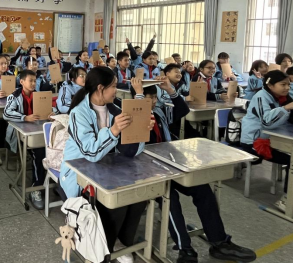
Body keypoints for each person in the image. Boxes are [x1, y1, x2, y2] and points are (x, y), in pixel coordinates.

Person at [135, 81, 256, 264]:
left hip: (171, 165)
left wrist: (170, 90)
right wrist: (138, 99)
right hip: (148, 172)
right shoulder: (131, 117)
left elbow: (182, 110)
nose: (152, 101)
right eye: (147, 98)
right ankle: (185, 249)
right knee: (169, 198)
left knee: (203, 190)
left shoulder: (159, 112)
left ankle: (219, 242)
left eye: (153, 97)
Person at [60, 68, 152, 262]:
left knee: (138, 198)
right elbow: (91, 153)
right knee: (115, 202)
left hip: (109, 168)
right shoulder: (79, 113)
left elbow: (132, 150)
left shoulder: (115, 108)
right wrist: (114, 130)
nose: (116, 91)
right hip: (78, 172)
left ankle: (121, 243)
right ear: (100, 88)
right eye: (114, 86)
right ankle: (103, 251)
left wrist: (141, 132)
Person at [241, 70, 293, 213]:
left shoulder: (280, 97)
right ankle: (286, 200)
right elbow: (267, 122)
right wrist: (286, 108)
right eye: (283, 84)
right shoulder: (261, 96)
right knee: (291, 160)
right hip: (253, 142)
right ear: (270, 85)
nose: (287, 88)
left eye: (288, 84)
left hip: (270, 139)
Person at [3, 70, 47, 210]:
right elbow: (6, 113)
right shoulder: (14, 96)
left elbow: (47, 109)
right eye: (30, 81)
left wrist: (50, 113)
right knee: (39, 153)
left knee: (51, 151)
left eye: (35, 81)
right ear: (22, 82)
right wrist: (24, 118)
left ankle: (53, 183)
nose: (33, 83)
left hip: (37, 131)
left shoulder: (38, 95)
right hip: (20, 134)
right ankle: (36, 188)